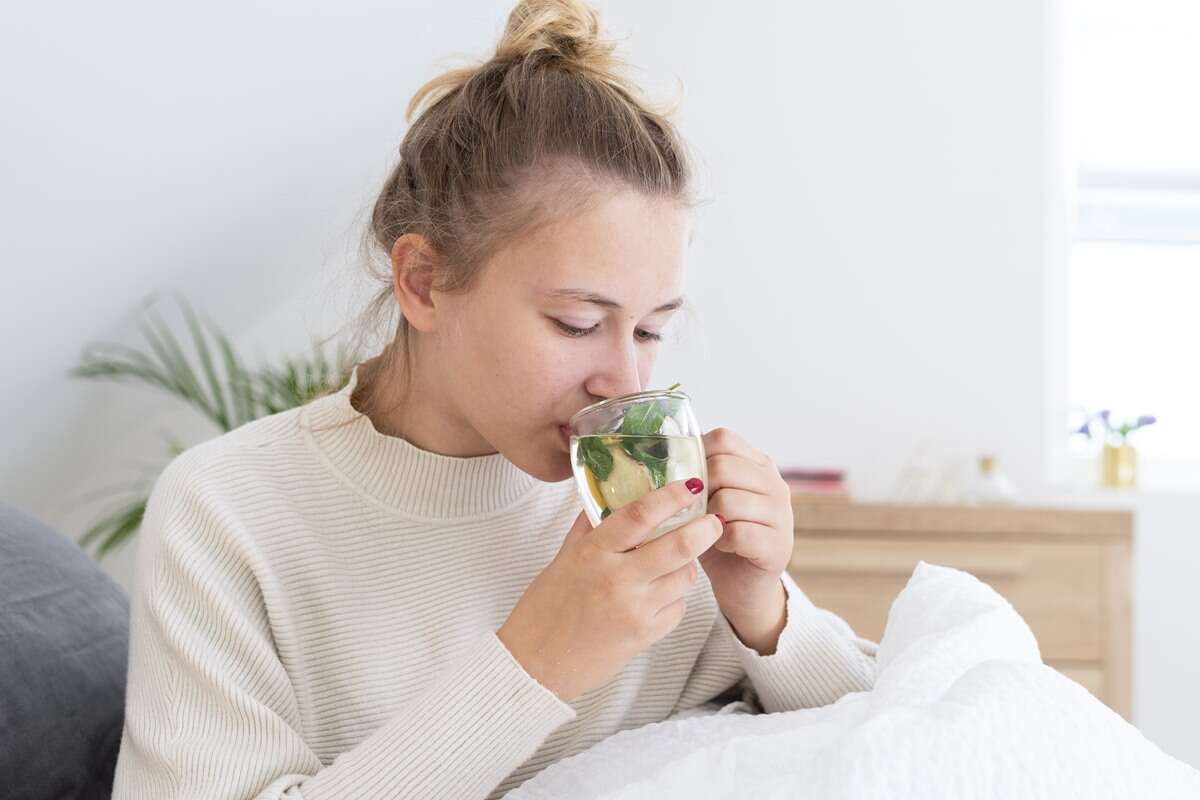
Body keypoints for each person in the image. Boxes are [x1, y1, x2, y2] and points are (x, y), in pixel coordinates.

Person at [111, 1, 876, 797]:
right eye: (577, 323)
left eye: (650, 331)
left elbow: (899, 751)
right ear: (424, 282)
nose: (625, 382)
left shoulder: (651, 499)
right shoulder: (228, 513)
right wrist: (537, 662)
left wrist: (767, 612)